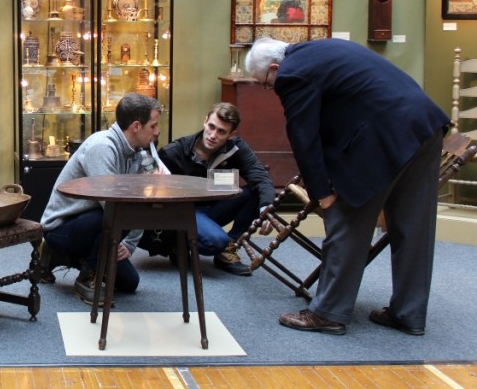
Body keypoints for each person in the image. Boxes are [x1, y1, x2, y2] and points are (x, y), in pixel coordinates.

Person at [244, 37, 449, 336]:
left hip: (384, 136)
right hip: (424, 125)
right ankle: (409, 313)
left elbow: (304, 137)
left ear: (275, 68)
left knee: (345, 219)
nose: (270, 88)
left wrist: (323, 196)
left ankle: (327, 313)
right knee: (413, 226)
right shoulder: (319, 48)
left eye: (265, 83)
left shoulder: (291, 73)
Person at [40, 93, 166, 306]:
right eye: (153, 126)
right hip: (62, 227)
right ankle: (85, 275)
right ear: (136, 126)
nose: (157, 131)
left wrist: (130, 243)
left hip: (97, 223)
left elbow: (142, 200)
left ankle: (63, 257)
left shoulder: (139, 152)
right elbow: (114, 205)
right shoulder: (102, 147)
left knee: (129, 282)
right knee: (118, 212)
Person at [156, 102, 276, 276]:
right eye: (211, 127)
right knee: (216, 241)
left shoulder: (236, 148)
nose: (213, 135)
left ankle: (229, 247)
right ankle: (179, 243)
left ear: (230, 135)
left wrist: (266, 209)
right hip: (186, 212)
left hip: (214, 207)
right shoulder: (174, 152)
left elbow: (261, 177)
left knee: (256, 193)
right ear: (205, 121)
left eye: (221, 132)